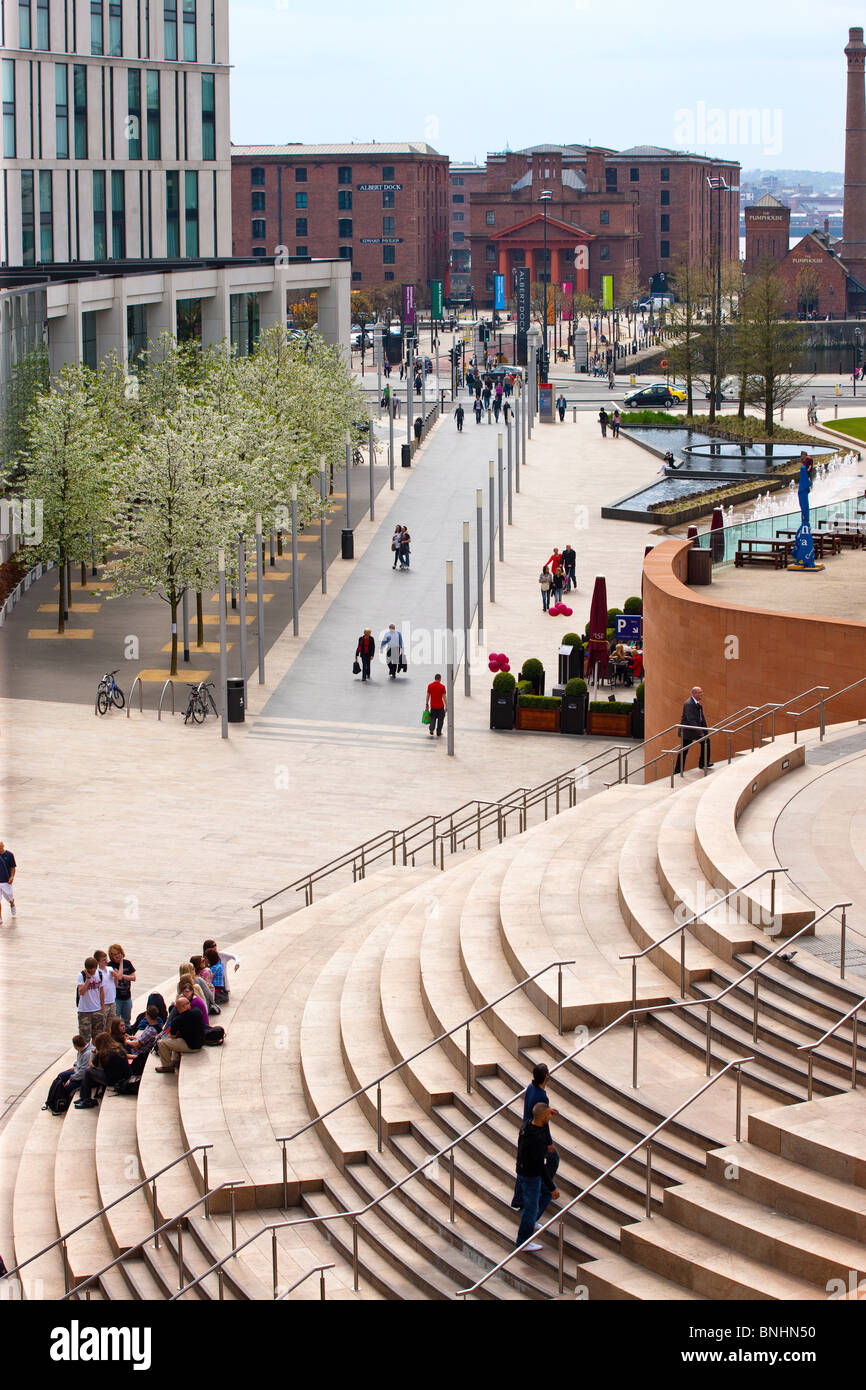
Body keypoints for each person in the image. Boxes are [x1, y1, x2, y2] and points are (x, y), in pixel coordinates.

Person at [513, 1102, 559, 1251]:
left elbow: (539, 1116)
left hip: (523, 1170)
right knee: (531, 1208)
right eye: (548, 1115)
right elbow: (540, 1166)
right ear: (543, 1116)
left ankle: (529, 1227)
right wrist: (552, 1188)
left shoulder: (526, 1126)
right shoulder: (537, 1139)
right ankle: (523, 1242)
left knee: (532, 1206)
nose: (549, 1118)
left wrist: (547, 1111)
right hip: (530, 1175)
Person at [523, 1063, 560, 1187]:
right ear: (546, 1076)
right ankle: (545, 1187)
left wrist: (548, 1110)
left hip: (527, 1129)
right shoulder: (542, 1096)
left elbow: (535, 1110)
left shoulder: (530, 1088)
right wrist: (549, 1142)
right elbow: (543, 1122)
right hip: (536, 1134)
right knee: (553, 1159)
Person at [74, 1030, 131, 1107]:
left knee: (88, 1072)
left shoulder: (103, 1052)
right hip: (124, 1077)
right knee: (91, 1074)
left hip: (114, 1080)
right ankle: (84, 1097)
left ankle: (86, 1099)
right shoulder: (119, 1048)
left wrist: (93, 1052)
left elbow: (91, 1065)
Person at [155, 995, 204, 1073]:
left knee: (162, 1043)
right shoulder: (197, 1012)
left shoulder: (177, 1020)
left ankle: (167, 1066)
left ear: (182, 1007)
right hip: (200, 1043)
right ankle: (175, 1061)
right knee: (178, 1040)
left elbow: (172, 1036)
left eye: (177, 1007)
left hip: (191, 1046)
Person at [45, 1035, 93, 1109]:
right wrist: (74, 1067)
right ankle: (50, 1101)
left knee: (67, 1087)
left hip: (83, 1077)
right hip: (77, 1071)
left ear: (75, 1046)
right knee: (60, 1076)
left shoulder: (87, 1054)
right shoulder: (81, 1050)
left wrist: (71, 1079)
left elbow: (83, 1073)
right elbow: (78, 1062)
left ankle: (61, 1104)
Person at [675, 685, 713, 774]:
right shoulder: (689, 704)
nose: (702, 694)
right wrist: (700, 732)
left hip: (694, 730)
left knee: (706, 741)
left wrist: (705, 731)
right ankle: (677, 771)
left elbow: (701, 719)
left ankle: (703, 763)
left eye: (702, 692)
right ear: (694, 693)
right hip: (688, 731)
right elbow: (691, 719)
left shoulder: (697, 704)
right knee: (684, 751)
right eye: (700, 692)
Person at [76, 956, 105, 1043]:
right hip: (84, 1011)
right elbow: (81, 992)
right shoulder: (81, 975)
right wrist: (88, 979)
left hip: (97, 1009)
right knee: (85, 1037)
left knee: (98, 1037)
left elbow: (101, 991)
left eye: (93, 970)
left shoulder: (99, 974)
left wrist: (102, 1006)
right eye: (90, 970)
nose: (92, 972)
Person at [107, 943, 136, 1026]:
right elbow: (119, 977)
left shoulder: (128, 963)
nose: (117, 956)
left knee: (126, 1021)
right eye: (115, 954)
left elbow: (133, 977)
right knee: (115, 1021)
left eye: (119, 953)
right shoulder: (110, 966)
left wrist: (123, 975)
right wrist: (121, 965)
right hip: (116, 998)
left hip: (127, 997)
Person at [93, 950, 117, 1026]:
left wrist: (115, 976)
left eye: (106, 959)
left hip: (112, 1001)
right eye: (103, 960)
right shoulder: (97, 973)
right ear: (98, 962)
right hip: (103, 1003)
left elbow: (116, 985)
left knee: (110, 1026)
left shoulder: (110, 969)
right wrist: (102, 1005)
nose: (106, 961)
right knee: (102, 1025)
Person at [425, 673, 447, 739]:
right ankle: (438, 732)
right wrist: (446, 705)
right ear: (440, 679)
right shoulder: (442, 687)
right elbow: (444, 697)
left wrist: (427, 704)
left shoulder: (430, 685)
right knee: (441, 720)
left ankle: (431, 728)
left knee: (433, 718)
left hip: (433, 706)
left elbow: (428, 696)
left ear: (435, 678)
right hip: (440, 706)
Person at [0, 841, 16, 923]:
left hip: (6, 881)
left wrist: (12, 876)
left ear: (3, 846)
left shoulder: (9, 855)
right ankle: (0, 917)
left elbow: (13, 867)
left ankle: (12, 903)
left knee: (9, 897)